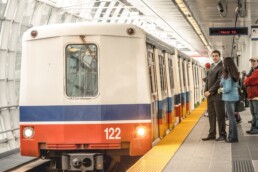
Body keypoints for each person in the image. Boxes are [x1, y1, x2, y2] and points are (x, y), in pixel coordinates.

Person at [202, 50, 227, 141]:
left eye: (216, 56)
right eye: (213, 56)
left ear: (220, 56)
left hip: (218, 95)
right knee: (211, 115)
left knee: (220, 115)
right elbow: (208, 80)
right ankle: (212, 134)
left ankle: (223, 134)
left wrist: (210, 91)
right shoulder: (212, 66)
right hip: (210, 96)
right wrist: (205, 91)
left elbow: (219, 81)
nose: (214, 57)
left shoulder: (222, 67)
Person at [218, 57, 240, 143]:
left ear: (226, 64)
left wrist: (221, 90)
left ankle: (232, 137)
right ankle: (233, 137)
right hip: (233, 97)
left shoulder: (228, 75)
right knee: (232, 118)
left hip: (228, 98)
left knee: (231, 118)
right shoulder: (234, 73)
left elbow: (227, 89)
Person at [244, 57, 258, 135]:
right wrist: (247, 80)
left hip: (256, 95)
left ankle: (256, 128)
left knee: (256, 113)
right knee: (253, 112)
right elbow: (246, 81)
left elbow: (251, 80)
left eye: (254, 61)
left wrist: (247, 80)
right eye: (251, 61)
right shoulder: (252, 70)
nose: (252, 62)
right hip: (251, 95)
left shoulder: (257, 71)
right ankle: (253, 127)